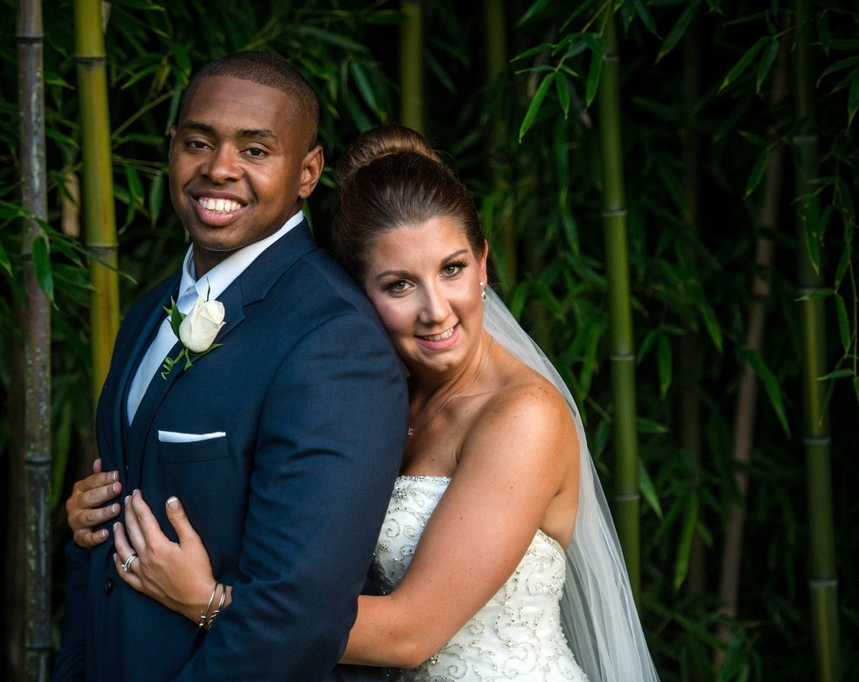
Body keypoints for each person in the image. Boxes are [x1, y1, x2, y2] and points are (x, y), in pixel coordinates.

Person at [102, 124, 662, 681]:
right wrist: (107, 505)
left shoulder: (522, 418)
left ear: (484, 262)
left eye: (452, 269)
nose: (437, 310)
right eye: (399, 285)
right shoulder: (363, 399)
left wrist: (209, 600)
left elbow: (411, 633)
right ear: (356, 290)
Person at [51, 52, 409, 681]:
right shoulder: (147, 312)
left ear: (307, 172)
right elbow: (108, 532)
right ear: (171, 150)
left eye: (255, 151)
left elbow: (295, 615)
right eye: (198, 142)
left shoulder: (333, 340)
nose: (218, 169)